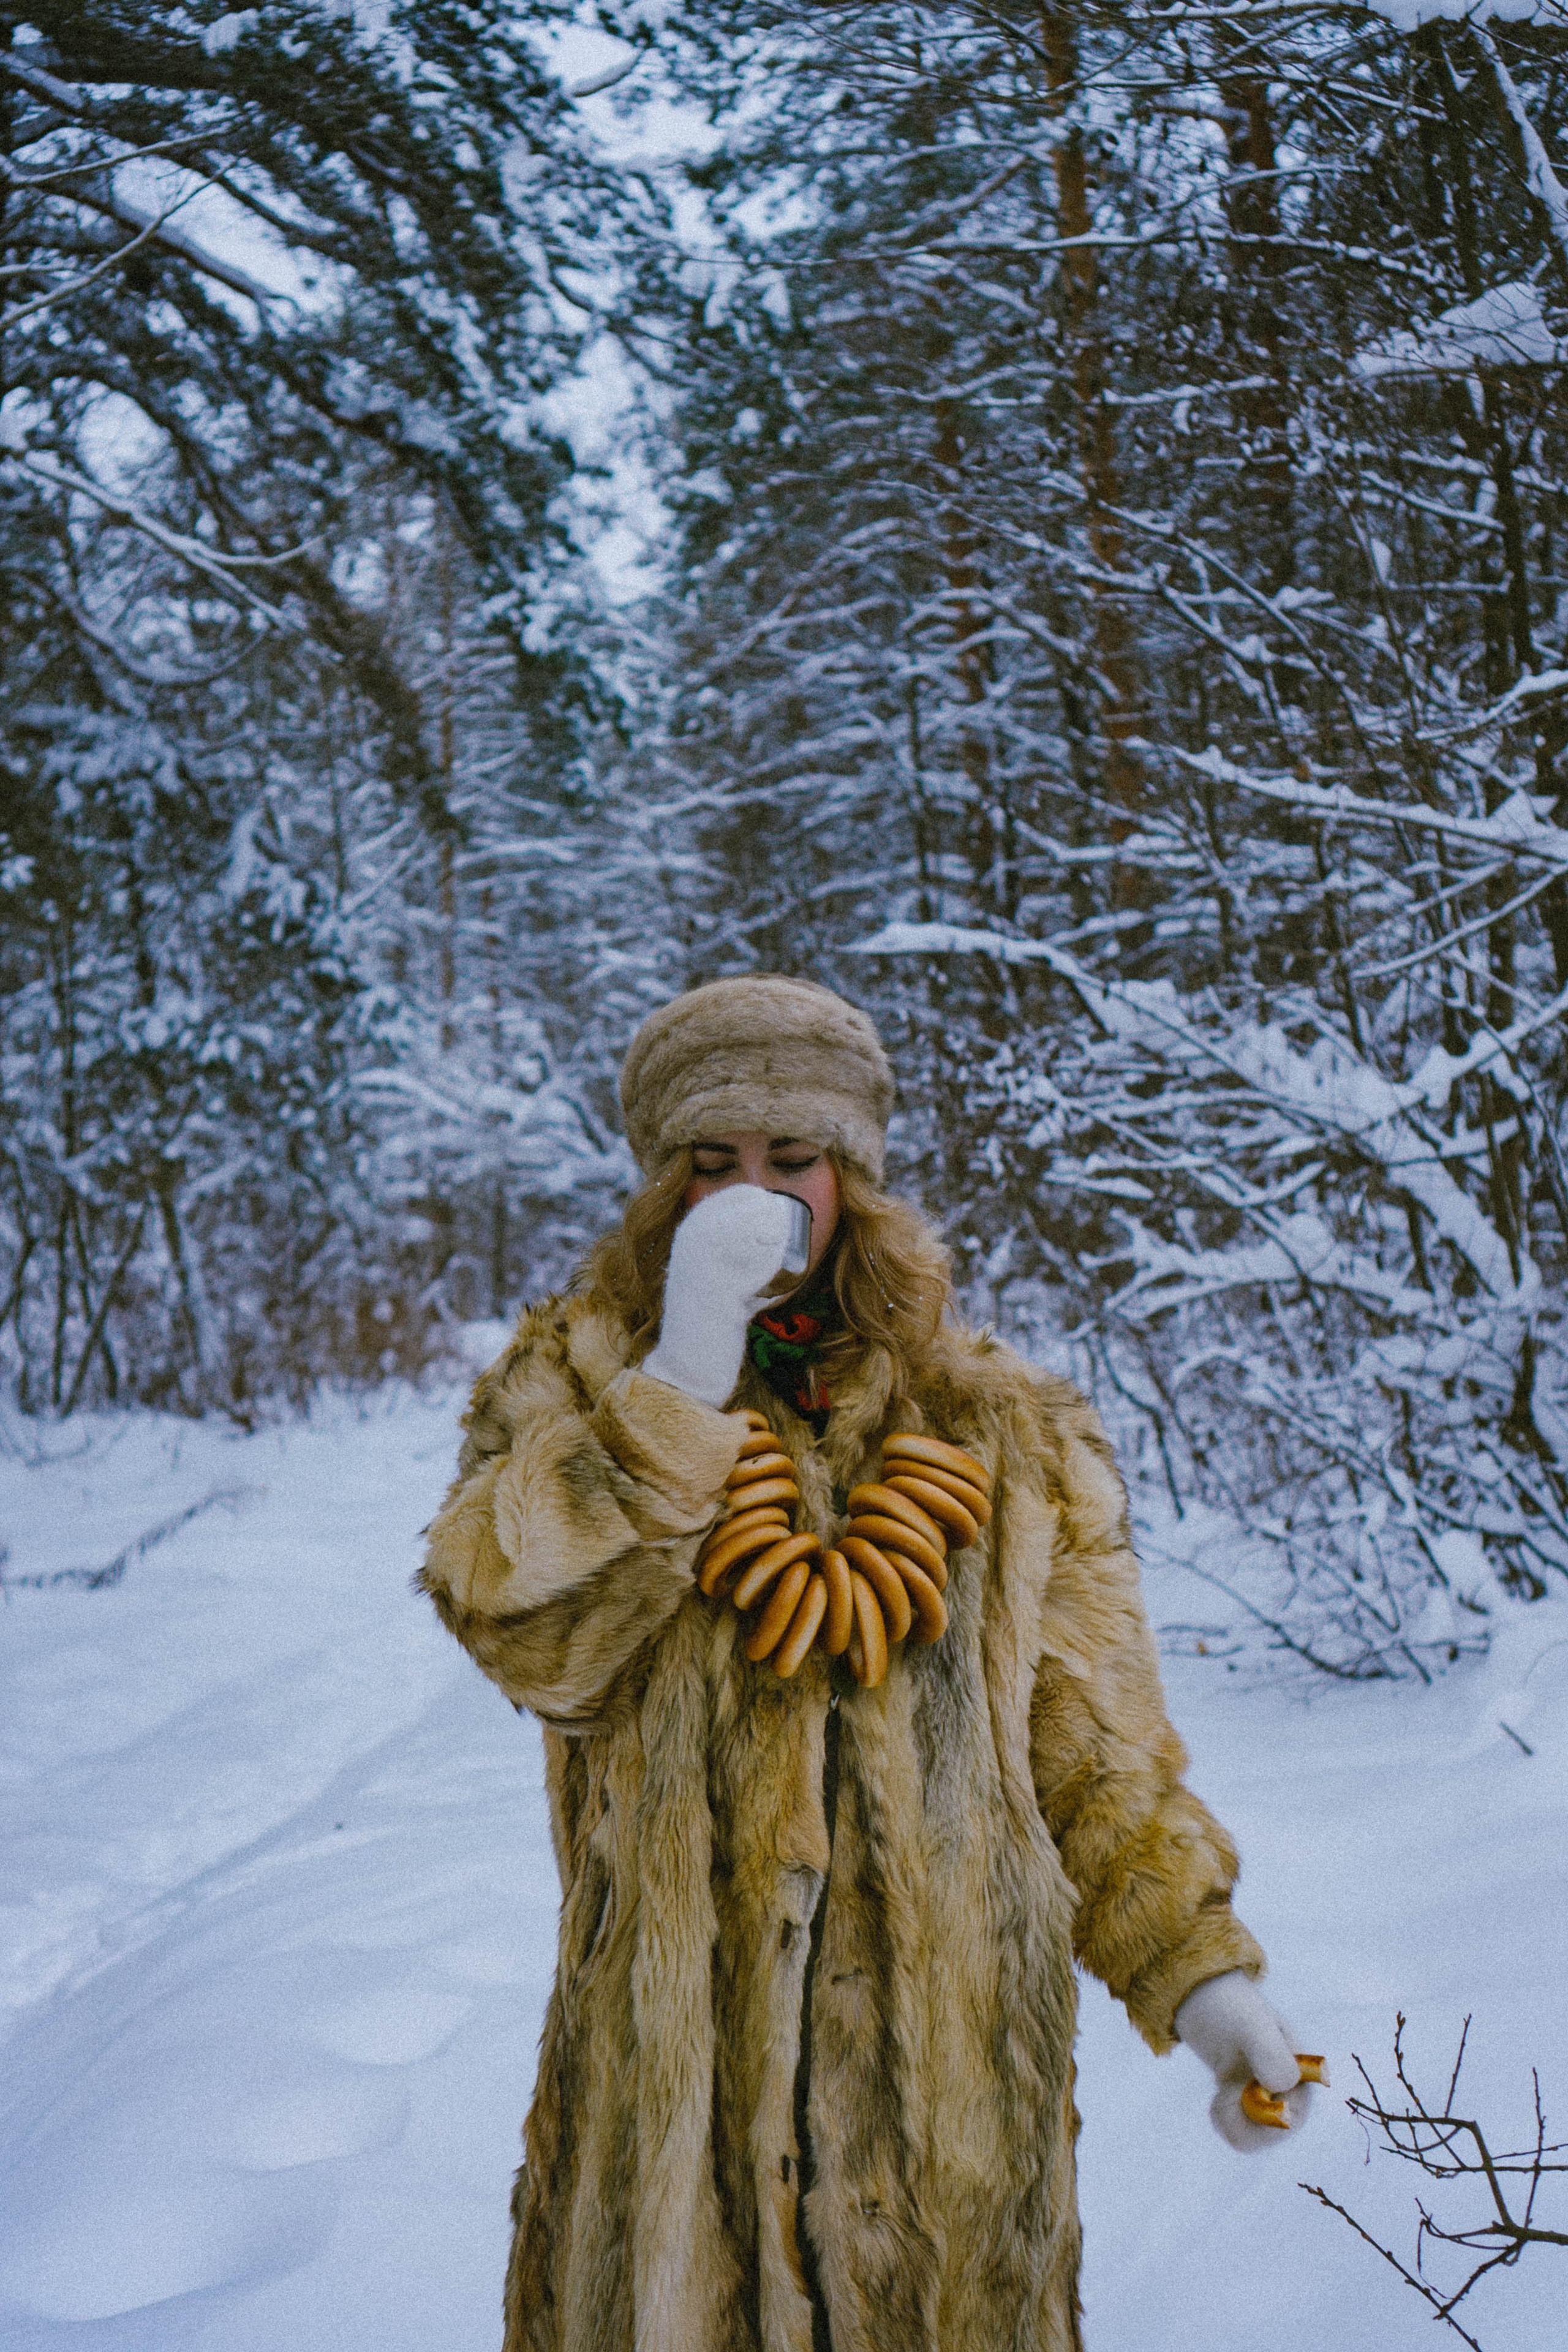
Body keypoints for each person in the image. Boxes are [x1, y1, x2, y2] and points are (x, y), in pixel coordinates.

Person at [419, 975, 1318, 2352]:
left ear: (854, 1173)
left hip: (948, 2126)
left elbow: (1092, 1753)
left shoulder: (1002, 1424)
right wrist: (677, 1388)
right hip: (670, 2121)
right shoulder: (574, 1388)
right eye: (710, 1166)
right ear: (661, 1185)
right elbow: (516, 1629)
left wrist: (1203, 1981)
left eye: (794, 1161)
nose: (754, 1199)